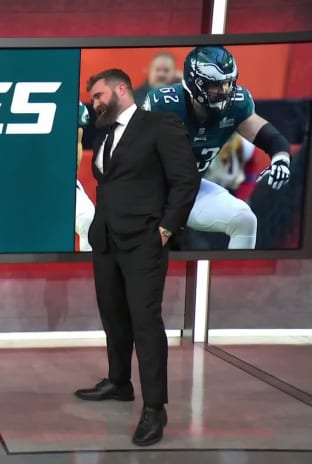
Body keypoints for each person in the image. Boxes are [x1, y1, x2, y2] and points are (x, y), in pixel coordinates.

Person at [75, 69, 199, 447]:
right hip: (107, 241)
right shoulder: (106, 135)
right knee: (114, 315)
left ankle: (155, 408)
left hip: (145, 242)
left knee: (146, 322)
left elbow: (185, 180)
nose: (94, 104)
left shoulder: (159, 125)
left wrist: (166, 229)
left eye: (98, 96)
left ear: (121, 89)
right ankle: (119, 382)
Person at [143, 45, 293, 249]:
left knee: (244, 220)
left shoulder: (236, 105)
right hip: (146, 193)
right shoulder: (165, 104)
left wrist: (281, 160)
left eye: (229, 83)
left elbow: (272, 138)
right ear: (197, 83)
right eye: (216, 85)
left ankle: (240, 279)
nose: (225, 91)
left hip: (189, 190)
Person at [75, 100, 95, 251]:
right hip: (11, 177)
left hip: (56, 180)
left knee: (87, 218)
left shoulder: (72, 103)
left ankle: (88, 273)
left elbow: (77, 141)